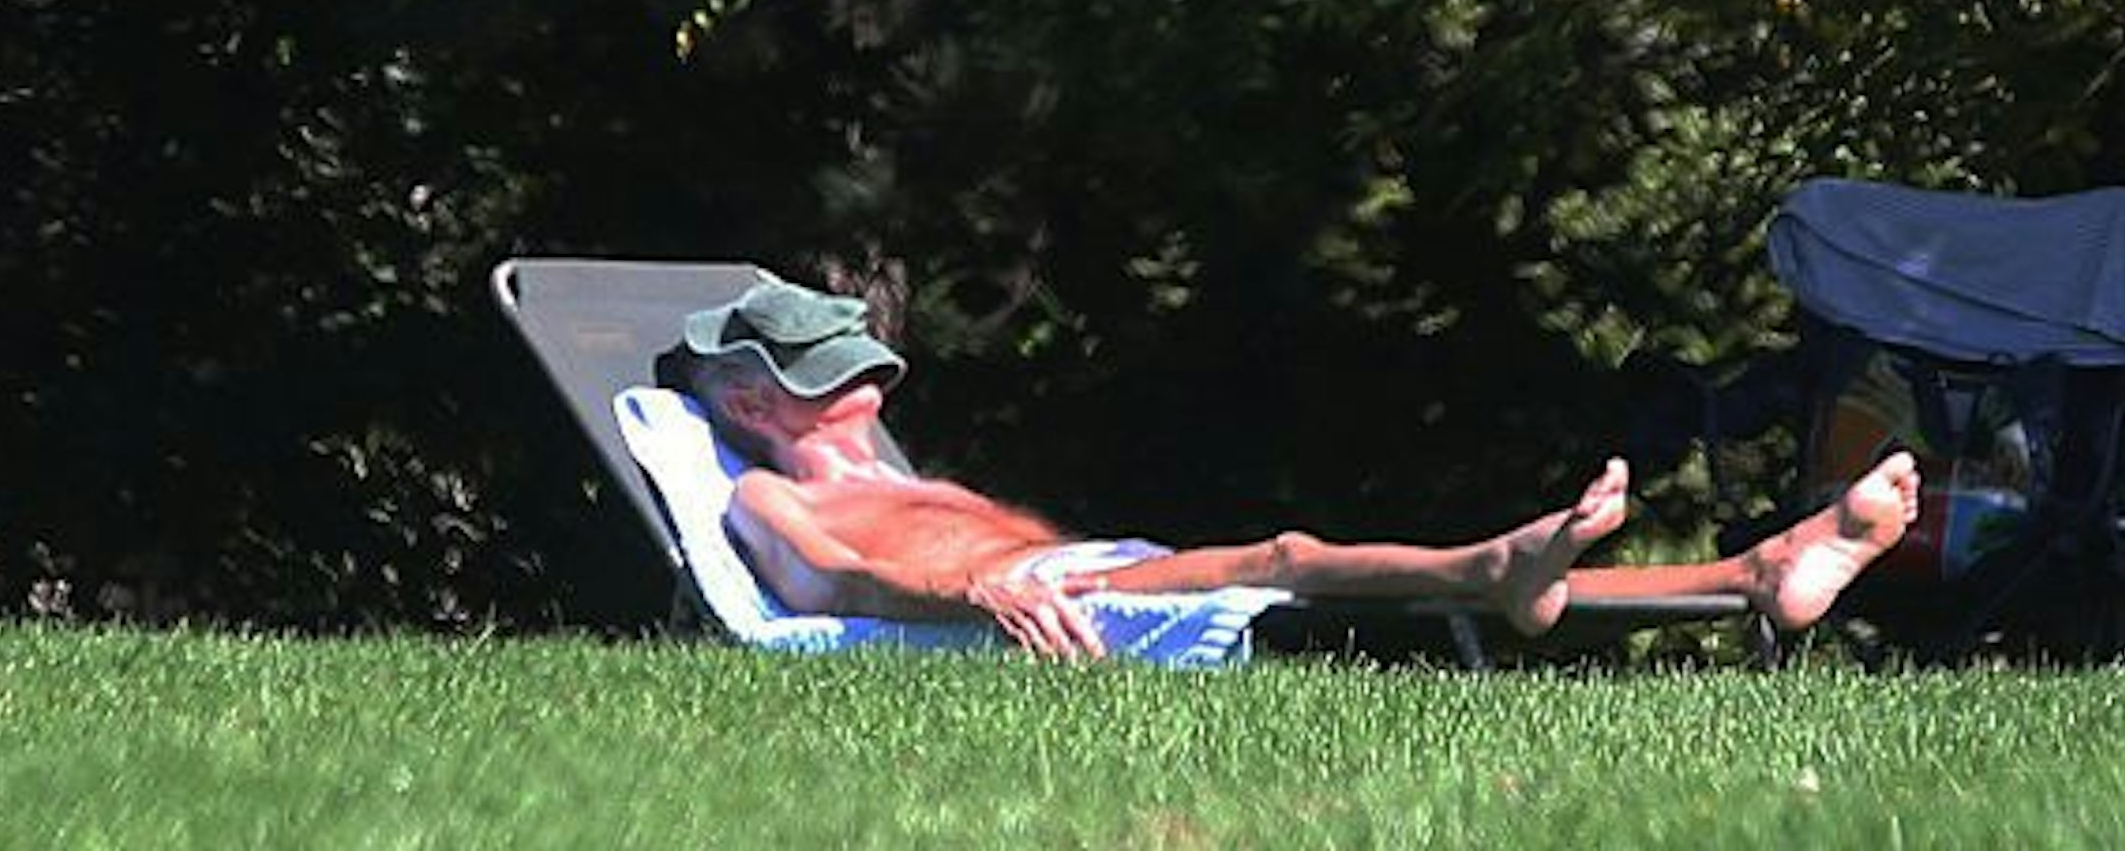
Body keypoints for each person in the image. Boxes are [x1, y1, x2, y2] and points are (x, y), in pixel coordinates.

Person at [665, 274, 1921, 662]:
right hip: (1047, 606)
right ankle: (1503, 566)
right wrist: (979, 596)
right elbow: (832, 589)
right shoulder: (767, 493)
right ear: (746, 400)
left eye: (868, 364)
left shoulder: (887, 460)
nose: (874, 384)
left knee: (1320, 570)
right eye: (837, 374)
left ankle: (1757, 570)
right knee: (1288, 559)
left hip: (1092, 576)